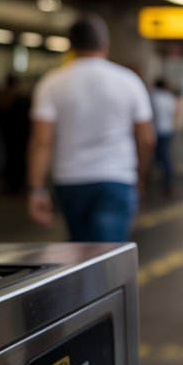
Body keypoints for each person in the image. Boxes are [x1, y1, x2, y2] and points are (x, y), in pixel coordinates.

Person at [27, 15, 155, 241]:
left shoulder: (51, 83)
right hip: (117, 178)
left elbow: (42, 141)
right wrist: (139, 175)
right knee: (108, 255)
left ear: (71, 44)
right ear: (105, 43)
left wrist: (36, 188)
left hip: (70, 180)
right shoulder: (128, 81)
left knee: (79, 251)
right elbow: (146, 139)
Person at [150, 77, 180, 197]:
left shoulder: (152, 97)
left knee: (155, 156)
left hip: (154, 130)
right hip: (167, 130)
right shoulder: (169, 98)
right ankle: (168, 185)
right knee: (166, 158)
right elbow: (175, 113)